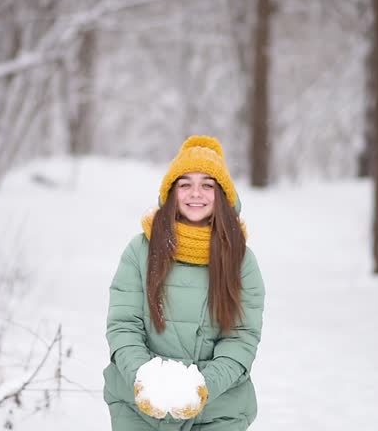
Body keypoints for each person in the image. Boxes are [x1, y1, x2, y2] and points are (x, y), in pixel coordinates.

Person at [103, 135, 265, 431]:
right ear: (171, 192)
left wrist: (202, 387)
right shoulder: (140, 250)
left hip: (218, 410)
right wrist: (145, 381)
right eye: (185, 184)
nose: (196, 193)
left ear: (223, 195)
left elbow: (241, 338)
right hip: (137, 408)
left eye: (207, 185)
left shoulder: (241, 260)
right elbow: (124, 325)